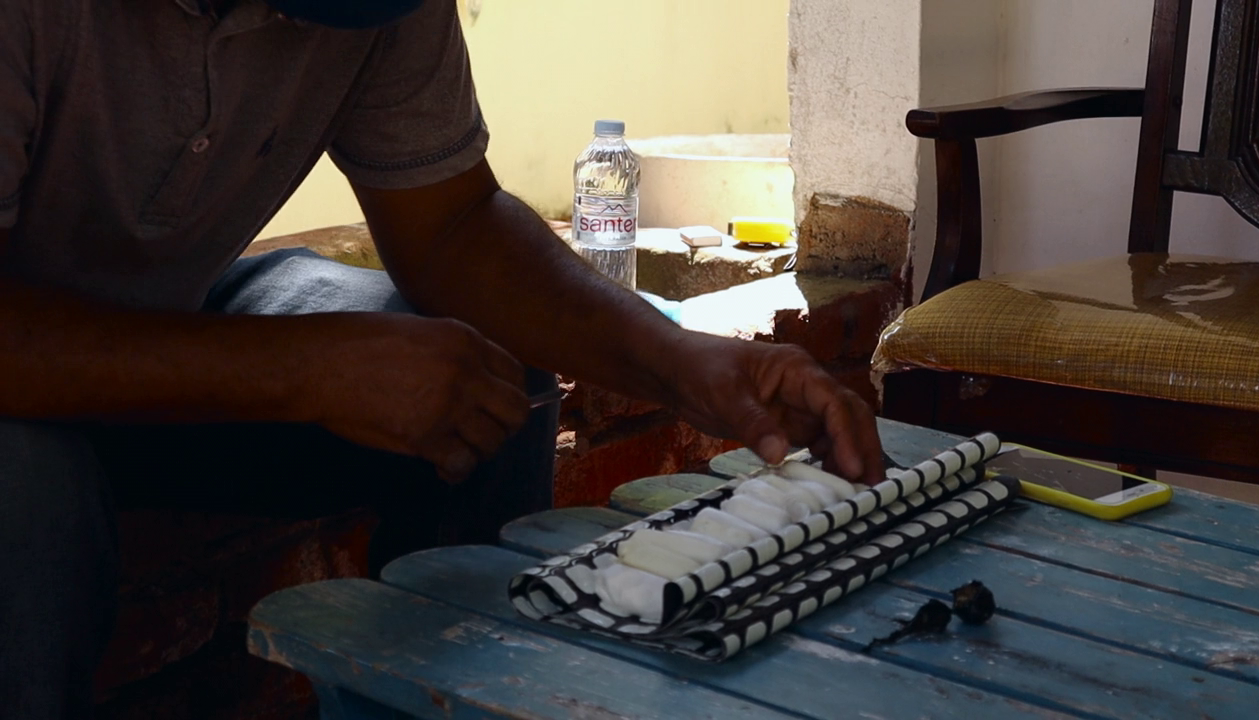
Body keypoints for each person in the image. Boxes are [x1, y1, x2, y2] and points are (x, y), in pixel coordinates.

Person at [0, 0, 886, 716]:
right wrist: (303, 369)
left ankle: (465, 698)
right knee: (28, 486)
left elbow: (453, 227)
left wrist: (681, 362)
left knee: (480, 380)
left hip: (183, 311)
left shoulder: (379, 9)